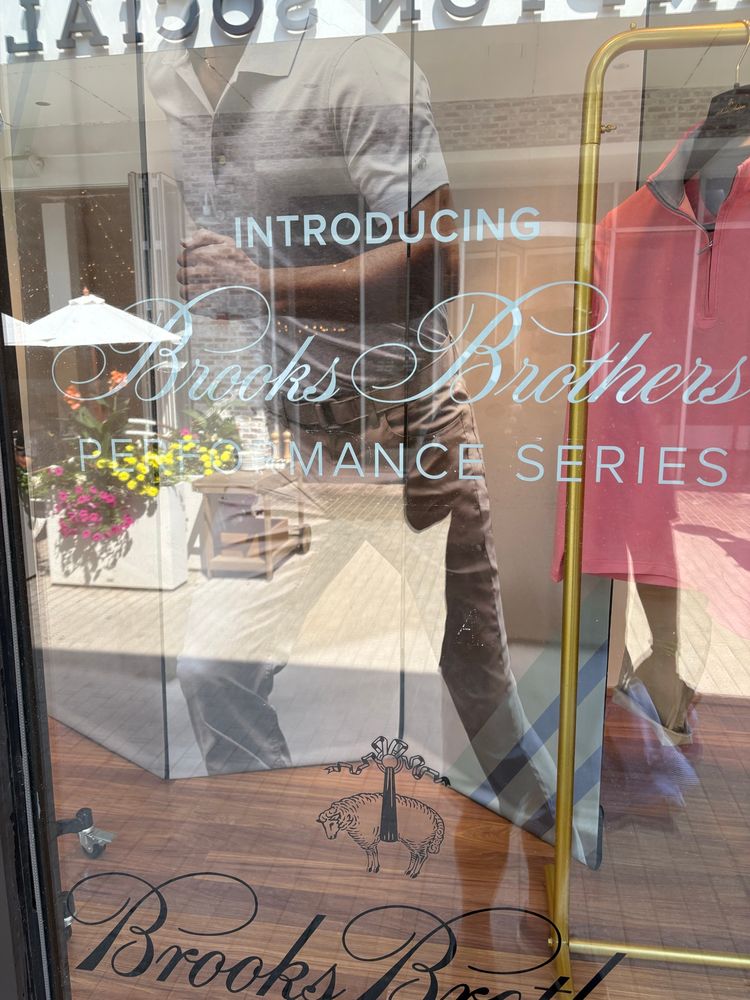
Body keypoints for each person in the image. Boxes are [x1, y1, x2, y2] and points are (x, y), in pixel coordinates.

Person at [148, 24, 559, 841]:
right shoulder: (169, 84)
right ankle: (269, 854)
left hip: (409, 431)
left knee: (475, 672)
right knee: (210, 667)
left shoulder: (354, 66)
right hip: (283, 438)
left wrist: (261, 287)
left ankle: (546, 840)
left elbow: (437, 265)